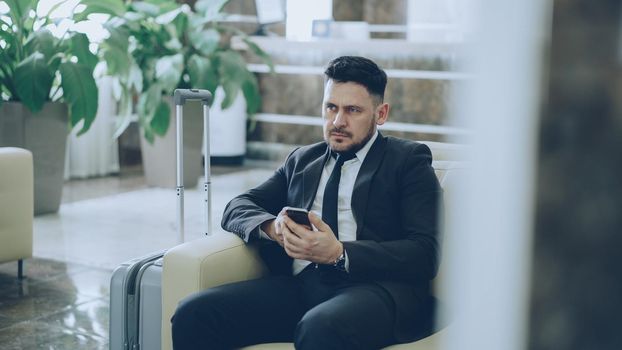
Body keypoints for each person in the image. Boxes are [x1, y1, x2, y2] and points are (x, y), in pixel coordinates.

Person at [171, 56, 442, 349]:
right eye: (331, 107)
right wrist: (273, 227)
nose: (338, 121)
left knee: (320, 327)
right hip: (302, 287)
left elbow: (424, 253)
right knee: (194, 312)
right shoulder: (303, 159)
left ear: (381, 113)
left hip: (374, 289)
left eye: (352, 110)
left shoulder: (408, 160)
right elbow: (238, 206)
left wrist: (339, 253)